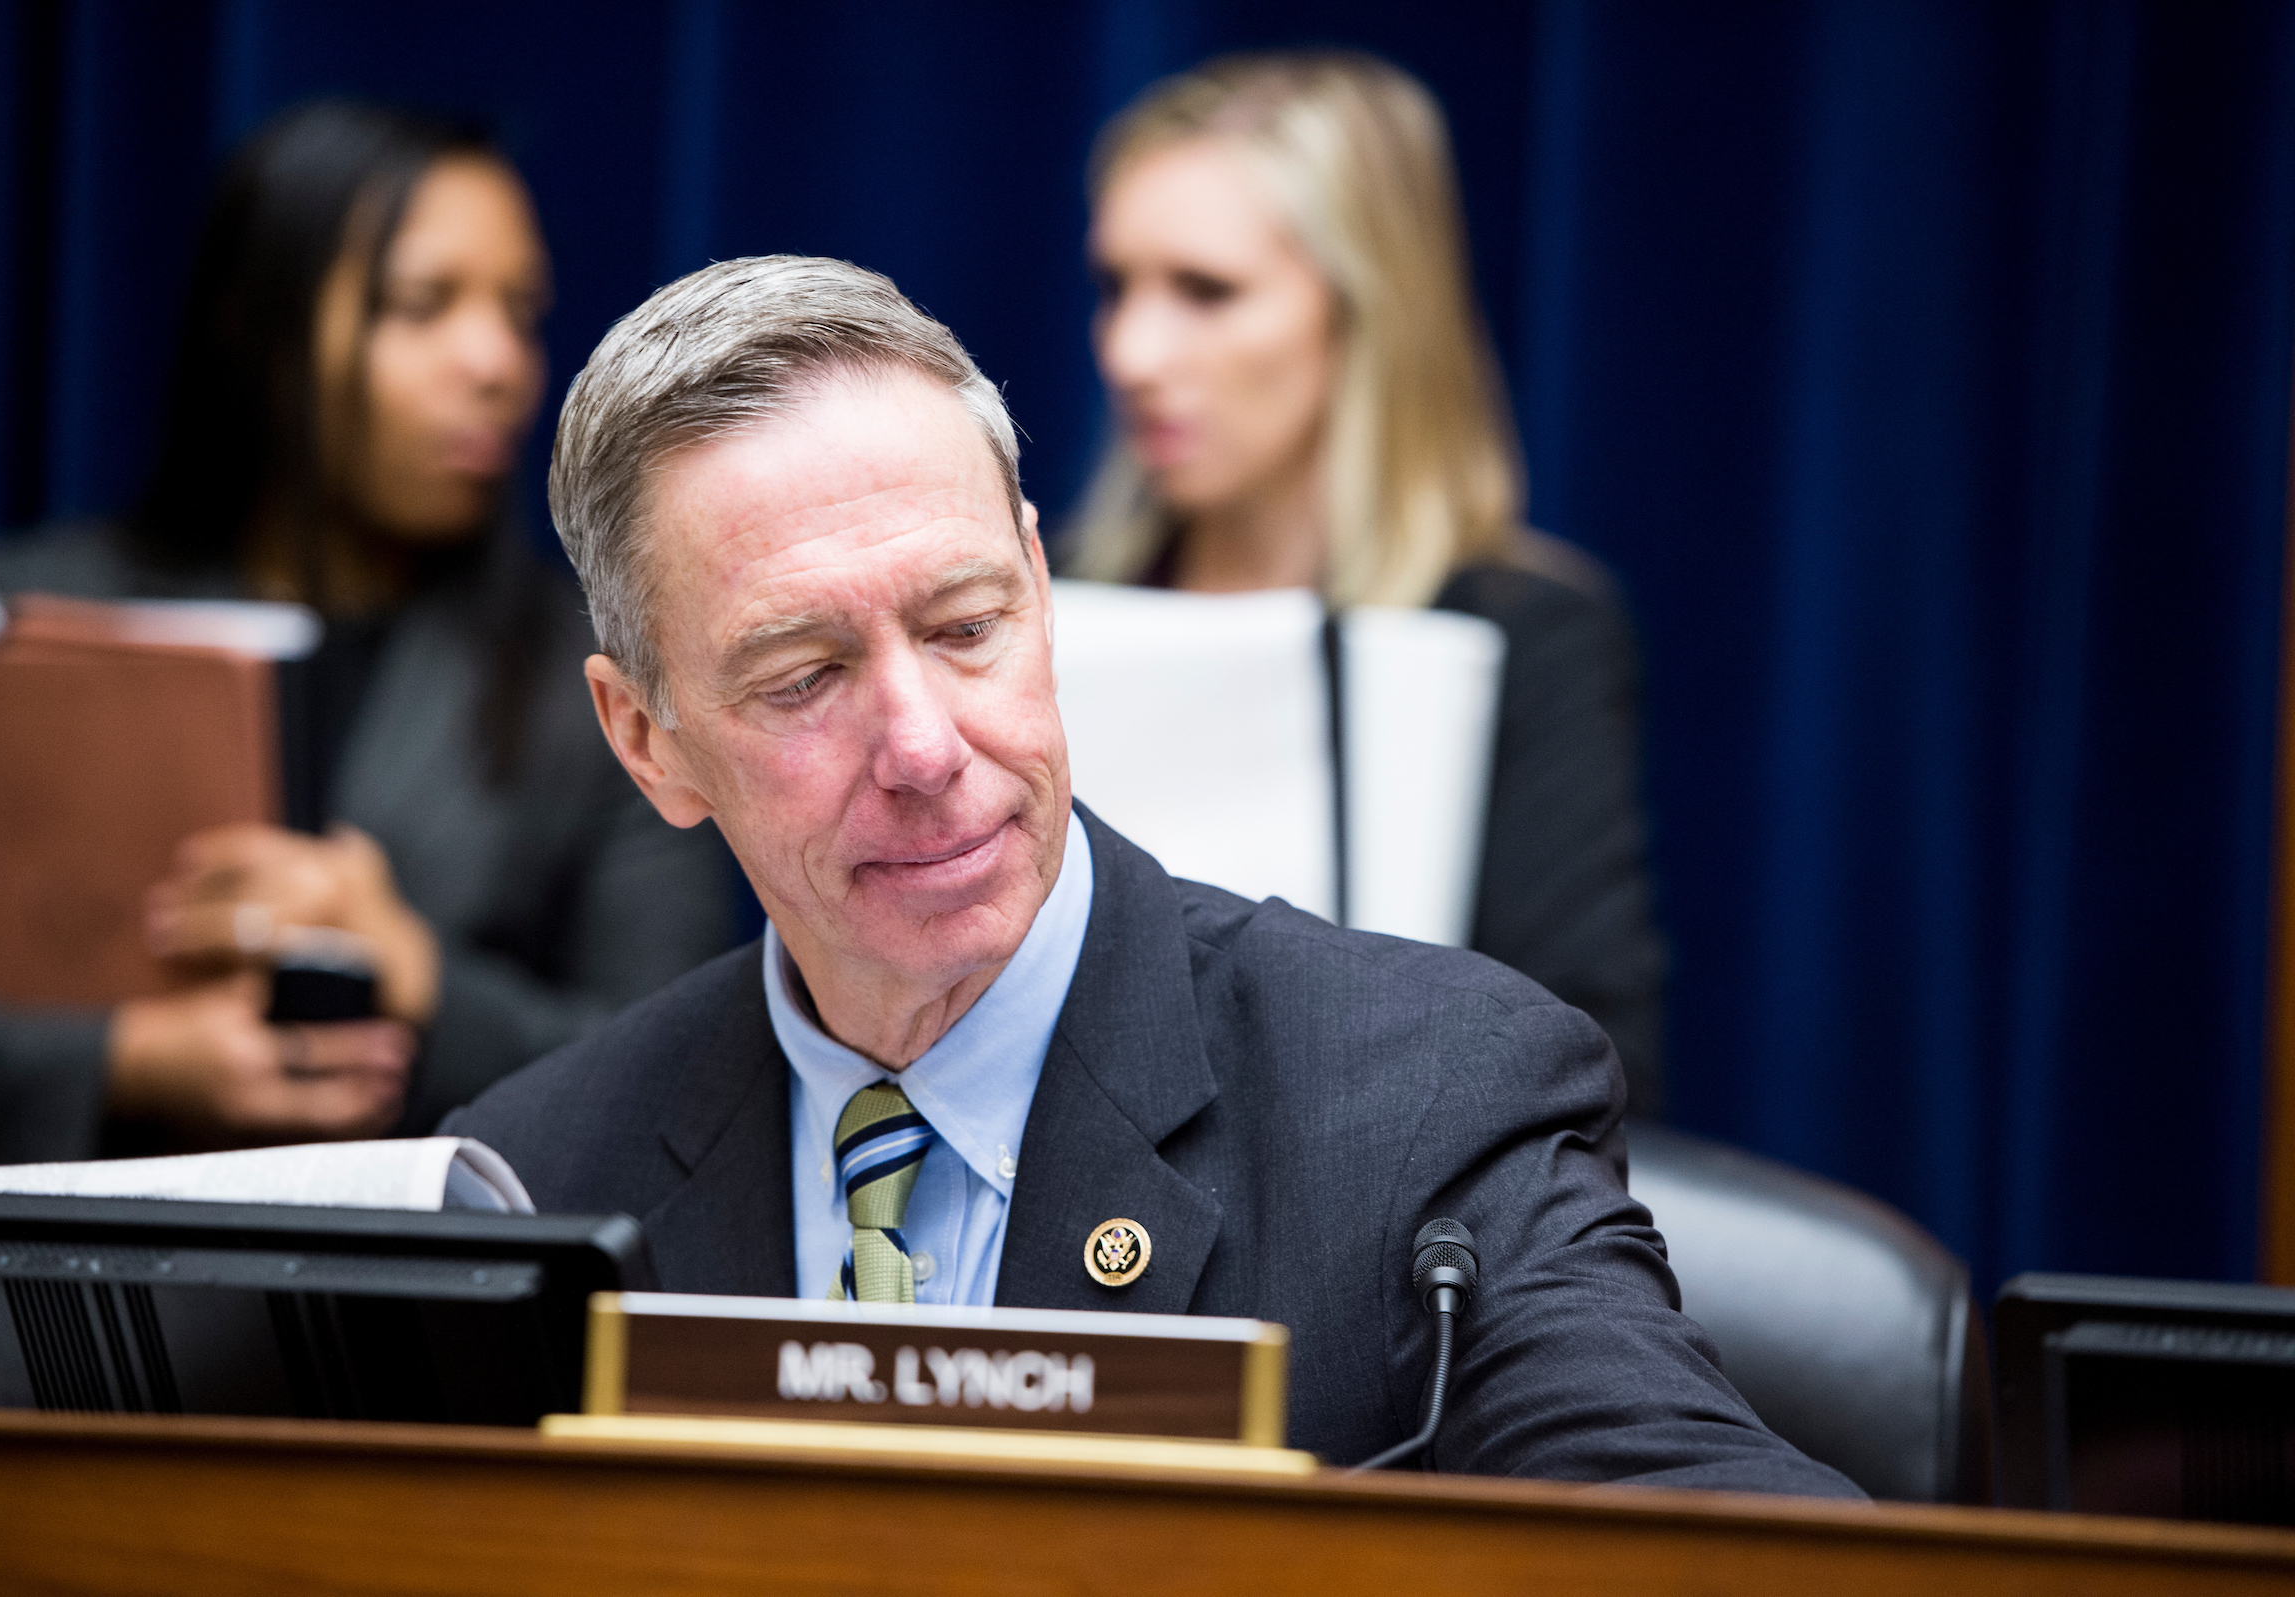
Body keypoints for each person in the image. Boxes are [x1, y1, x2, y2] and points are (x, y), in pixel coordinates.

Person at [447, 254, 1854, 1492]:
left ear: (1042, 595)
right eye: (807, 676)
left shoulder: (1430, 1106)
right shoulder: (533, 1183)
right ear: (648, 742)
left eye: (965, 626)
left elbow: (1714, 1530)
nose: (926, 747)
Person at [0, 101, 742, 1162]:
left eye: (520, 311)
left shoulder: (589, 680)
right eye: (423, 304)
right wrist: (125, 1059)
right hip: (62, 1289)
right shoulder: (30, 614)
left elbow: (684, 1067)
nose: (497, 361)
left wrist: (421, 976)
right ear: (266, 330)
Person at [1070, 53, 1669, 1112]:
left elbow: (1583, 1055)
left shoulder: (1521, 634)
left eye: (1206, 291)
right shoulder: (1040, 604)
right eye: (1116, 287)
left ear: (1368, 310)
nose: (1133, 350)